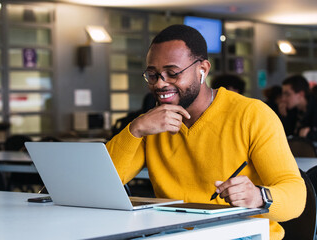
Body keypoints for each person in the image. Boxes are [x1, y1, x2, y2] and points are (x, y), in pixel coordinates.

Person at [106, 25, 305, 240]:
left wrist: (258, 196)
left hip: (245, 235)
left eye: (172, 74)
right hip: (175, 235)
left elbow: (295, 199)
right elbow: (104, 186)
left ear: (203, 69)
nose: (160, 84)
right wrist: (135, 130)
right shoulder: (151, 124)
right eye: (153, 75)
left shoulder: (252, 114)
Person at [280, 75, 317, 139]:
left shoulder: (314, 109)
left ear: (301, 94)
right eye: (283, 94)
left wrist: (311, 134)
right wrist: (284, 117)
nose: (283, 99)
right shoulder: (291, 111)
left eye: (287, 94)